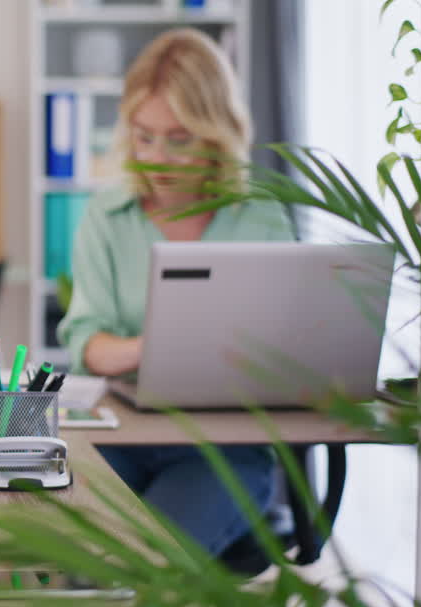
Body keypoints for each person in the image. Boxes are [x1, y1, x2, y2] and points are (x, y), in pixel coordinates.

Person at [56, 28, 294, 557]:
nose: (156, 156)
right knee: (66, 550)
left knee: (150, 561)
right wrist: (151, 347)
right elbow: (85, 340)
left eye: (178, 138)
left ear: (216, 134)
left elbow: (288, 347)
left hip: (224, 449)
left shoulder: (260, 217)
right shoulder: (107, 215)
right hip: (120, 438)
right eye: (143, 135)